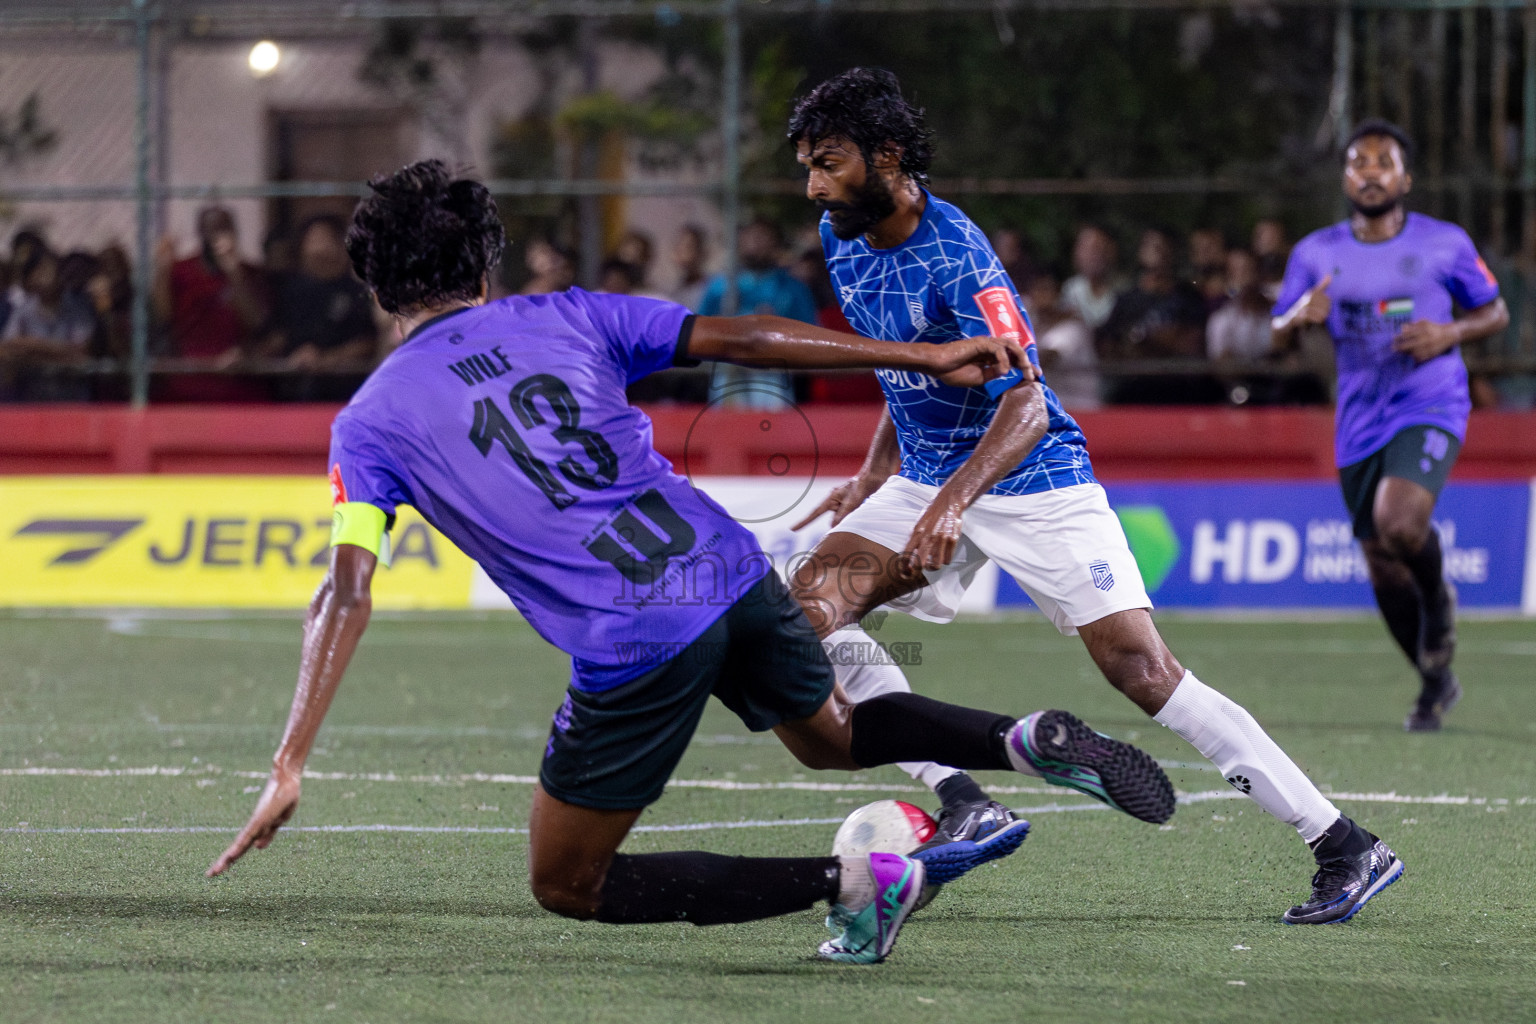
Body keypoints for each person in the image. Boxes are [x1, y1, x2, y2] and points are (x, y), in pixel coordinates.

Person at [205, 160, 1175, 965]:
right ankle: (1025, 737)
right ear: (483, 266)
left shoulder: (369, 421)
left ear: (373, 287)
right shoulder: (567, 315)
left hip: (635, 638)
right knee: (830, 734)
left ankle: (856, 881)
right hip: (724, 563)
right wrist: (915, 358)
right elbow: (740, 339)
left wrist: (291, 756)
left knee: (566, 882)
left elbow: (347, 587)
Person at [786, 67, 1402, 926]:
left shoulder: (960, 255)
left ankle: (1344, 844)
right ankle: (963, 796)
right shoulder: (841, 231)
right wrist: (876, 470)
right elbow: (903, 359)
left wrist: (950, 507)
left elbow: (1027, 403)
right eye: (808, 164)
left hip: (1031, 476)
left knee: (1141, 670)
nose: (813, 183)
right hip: (928, 478)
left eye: (830, 162)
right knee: (808, 609)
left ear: (887, 156)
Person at [1272, 119, 1508, 732]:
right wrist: (1300, 316)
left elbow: (1494, 310)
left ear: (1405, 177)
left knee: (1398, 522)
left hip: (1428, 401)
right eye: (1359, 161)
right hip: (1359, 415)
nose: (1371, 171)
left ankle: (1439, 603)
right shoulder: (1316, 253)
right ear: (1346, 176)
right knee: (1379, 559)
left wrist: (1449, 332)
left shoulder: (1444, 243)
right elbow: (1276, 336)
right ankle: (1434, 682)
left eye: (1384, 161)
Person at [152, 205, 271, 402]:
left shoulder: (250, 272)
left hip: (237, 375)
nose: (216, 236)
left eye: (223, 228)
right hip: (189, 374)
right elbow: (162, 317)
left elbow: (257, 323)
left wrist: (234, 273)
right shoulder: (180, 270)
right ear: (200, 232)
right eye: (210, 229)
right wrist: (162, 272)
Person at [698, 218, 818, 408]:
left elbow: (811, 332)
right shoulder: (721, 285)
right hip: (729, 369)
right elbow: (700, 324)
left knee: (772, 428)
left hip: (773, 371)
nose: (755, 243)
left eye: (763, 238)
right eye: (750, 237)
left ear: (776, 244)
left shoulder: (793, 288)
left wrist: (778, 329)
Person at [1097, 227, 1217, 404]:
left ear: (1173, 253)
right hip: (1133, 391)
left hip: (1180, 392)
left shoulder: (1189, 297)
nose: (1157, 252)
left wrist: (1149, 341)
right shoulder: (1125, 300)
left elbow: (1193, 344)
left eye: (1163, 246)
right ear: (1140, 252)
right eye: (1151, 245)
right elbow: (1109, 346)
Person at [267, 214, 379, 402]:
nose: (318, 248)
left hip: (345, 392)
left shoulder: (357, 292)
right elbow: (278, 336)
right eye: (312, 240)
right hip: (295, 393)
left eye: (324, 239)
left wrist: (327, 359)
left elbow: (367, 341)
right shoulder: (289, 291)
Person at [0, 247, 96, 401]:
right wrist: (58, 350)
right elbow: (7, 349)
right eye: (39, 271)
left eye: (50, 269)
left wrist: (30, 346)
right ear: (29, 278)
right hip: (33, 396)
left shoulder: (77, 307)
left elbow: (80, 355)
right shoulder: (23, 310)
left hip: (69, 394)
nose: (45, 276)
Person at [1023, 270, 1099, 410]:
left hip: (1080, 406)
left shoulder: (1072, 327)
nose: (1041, 295)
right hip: (1053, 405)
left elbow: (1046, 358)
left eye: (1046, 289)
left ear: (1059, 295)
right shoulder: (1032, 323)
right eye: (1037, 289)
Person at [1060, 224, 1120, 332]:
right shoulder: (1071, 288)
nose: (1091, 256)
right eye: (1085, 248)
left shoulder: (1122, 291)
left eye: (1097, 249)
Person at [667, 224, 709, 311]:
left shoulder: (708, 290)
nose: (680, 252)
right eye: (678, 246)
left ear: (701, 253)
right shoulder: (674, 289)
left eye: (688, 247)